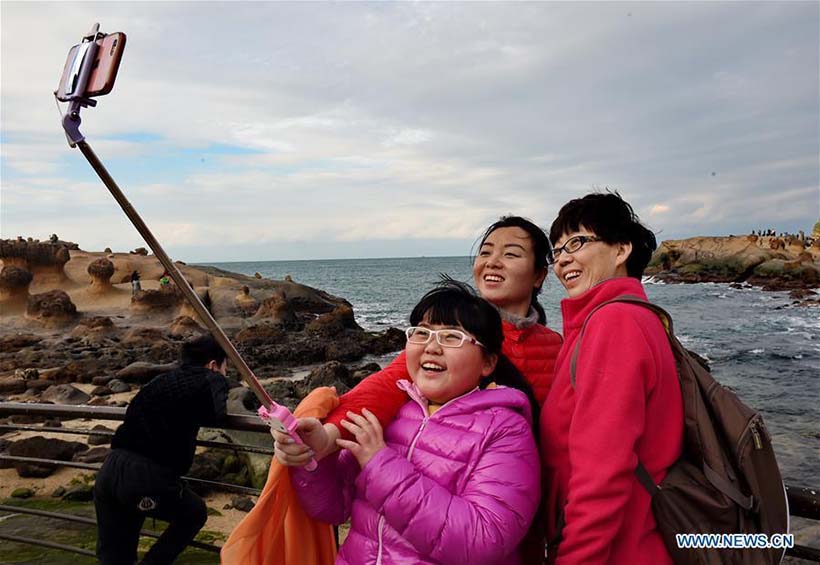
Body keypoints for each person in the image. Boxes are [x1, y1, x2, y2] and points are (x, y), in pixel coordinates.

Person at [274, 281, 541, 563]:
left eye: (452, 337)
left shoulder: (505, 431)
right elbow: (332, 508)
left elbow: (484, 538)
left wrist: (382, 465)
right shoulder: (394, 413)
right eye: (422, 333)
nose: (431, 347)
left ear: (487, 363)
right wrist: (313, 459)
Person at [541, 192, 684, 564]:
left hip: (621, 551)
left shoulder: (613, 323)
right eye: (556, 250)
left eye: (578, 242)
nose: (562, 260)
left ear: (621, 250)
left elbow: (602, 474)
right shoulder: (635, 316)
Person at [93, 334, 230, 565]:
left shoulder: (160, 380)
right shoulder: (211, 378)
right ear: (214, 365)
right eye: (227, 367)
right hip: (145, 476)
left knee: (114, 556)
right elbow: (217, 415)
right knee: (194, 513)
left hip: (111, 469)